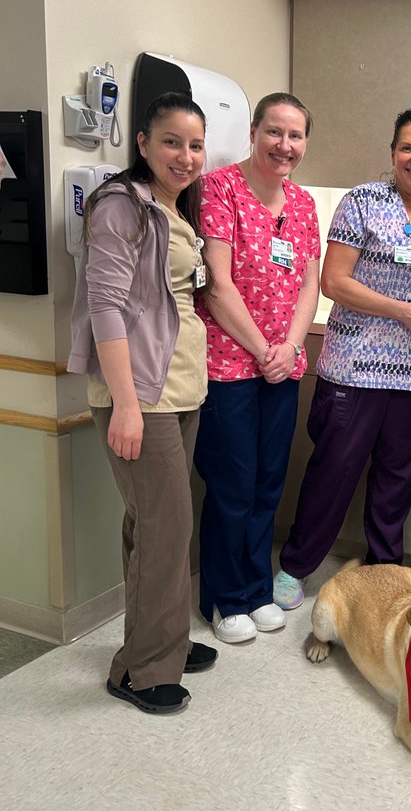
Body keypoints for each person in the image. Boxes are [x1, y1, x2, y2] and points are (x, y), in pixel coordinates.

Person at [274, 108, 411, 608]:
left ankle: (387, 573)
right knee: (333, 471)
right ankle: (296, 566)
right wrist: (403, 311)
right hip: (354, 370)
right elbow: (333, 282)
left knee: (395, 482)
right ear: (392, 154)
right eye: (407, 148)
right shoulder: (362, 203)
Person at [68, 92, 214, 715]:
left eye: (196, 144)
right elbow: (106, 306)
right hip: (141, 396)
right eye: (172, 142)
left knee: (155, 525)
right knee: (166, 527)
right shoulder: (119, 207)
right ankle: (140, 670)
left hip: (179, 390)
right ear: (144, 144)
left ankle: (165, 642)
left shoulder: (173, 209)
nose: (186, 156)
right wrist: (125, 405)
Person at [193, 93, 320, 644]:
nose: (284, 145)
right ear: (253, 131)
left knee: (269, 482)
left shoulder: (304, 204)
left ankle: (255, 589)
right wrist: (263, 350)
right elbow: (217, 286)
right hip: (228, 366)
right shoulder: (219, 189)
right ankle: (224, 598)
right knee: (232, 483)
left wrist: (289, 348)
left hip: (283, 367)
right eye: (275, 132)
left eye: (295, 136)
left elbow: (310, 283)